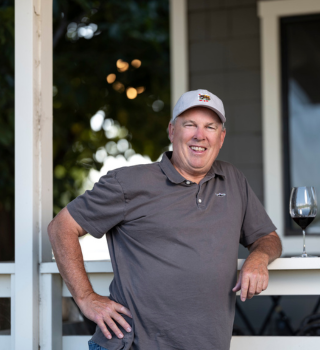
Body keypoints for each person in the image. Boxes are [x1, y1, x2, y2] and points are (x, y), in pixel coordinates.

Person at [48, 89, 282, 350]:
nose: (199, 135)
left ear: (221, 137)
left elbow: (267, 237)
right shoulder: (128, 183)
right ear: (172, 131)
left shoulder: (234, 180)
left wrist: (259, 257)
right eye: (190, 125)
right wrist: (86, 297)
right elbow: (62, 227)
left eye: (210, 127)